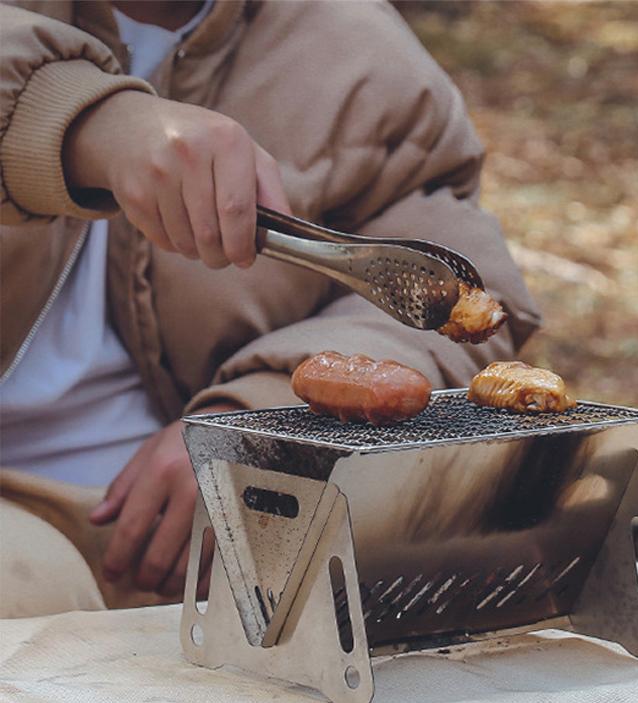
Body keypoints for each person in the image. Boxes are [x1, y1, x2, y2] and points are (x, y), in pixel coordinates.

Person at [0, 0, 538, 617]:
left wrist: (261, 413)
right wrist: (85, 122)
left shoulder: (353, 48)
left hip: (191, 532)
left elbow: (469, 297)